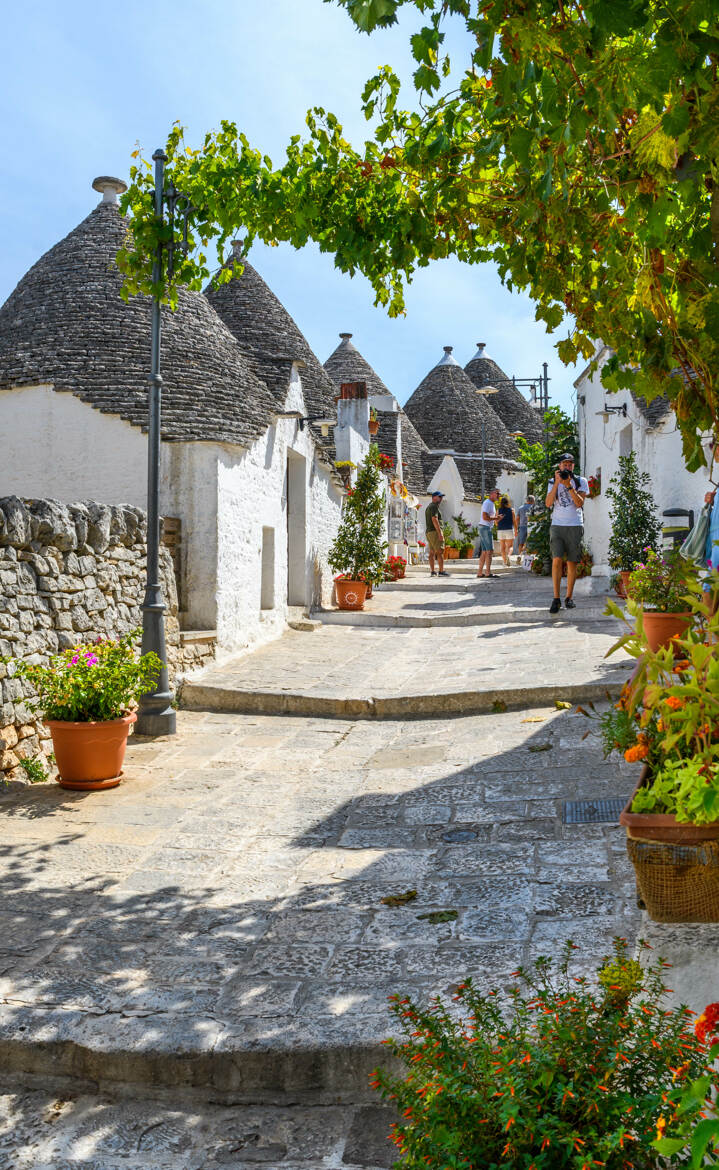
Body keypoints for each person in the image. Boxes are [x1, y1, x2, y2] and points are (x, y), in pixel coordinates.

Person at [545, 453, 588, 613]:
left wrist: (569, 485)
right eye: (565, 464)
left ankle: (569, 597)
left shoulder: (580, 481)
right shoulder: (552, 481)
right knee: (556, 559)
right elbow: (548, 503)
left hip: (575, 525)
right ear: (559, 466)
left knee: (571, 562)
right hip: (557, 525)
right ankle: (556, 598)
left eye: (570, 464)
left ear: (573, 467)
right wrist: (557, 483)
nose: (567, 467)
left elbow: (579, 503)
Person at [477, 487, 500, 579]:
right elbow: (485, 516)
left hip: (484, 527)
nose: (499, 495)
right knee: (490, 551)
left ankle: (480, 573)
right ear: (492, 494)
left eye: (499, 494)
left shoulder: (491, 503)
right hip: (485, 528)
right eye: (497, 493)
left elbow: (488, 517)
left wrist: (497, 518)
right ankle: (487, 573)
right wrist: (496, 518)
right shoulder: (488, 503)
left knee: (484, 552)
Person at [425, 490, 450, 577]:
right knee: (440, 551)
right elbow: (434, 519)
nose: (441, 498)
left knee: (432, 552)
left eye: (442, 497)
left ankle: (432, 571)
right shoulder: (434, 507)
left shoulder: (429, 507)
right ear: (434, 497)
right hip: (434, 531)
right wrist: (440, 533)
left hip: (429, 532)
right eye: (440, 497)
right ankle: (441, 571)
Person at [496, 495, 516, 567]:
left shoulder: (498, 510)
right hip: (509, 529)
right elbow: (514, 522)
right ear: (508, 503)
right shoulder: (512, 510)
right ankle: (509, 556)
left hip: (500, 530)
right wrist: (516, 530)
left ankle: (504, 562)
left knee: (502, 547)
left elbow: (496, 522)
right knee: (510, 546)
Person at [515, 495, 534, 562]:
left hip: (522, 526)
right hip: (531, 526)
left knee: (521, 543)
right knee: (530, 542)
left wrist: (517, 527)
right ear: (532, 501)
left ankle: (519, 555)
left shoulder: (521, 508)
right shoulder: (533, 507)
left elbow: (517, 518)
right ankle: (528, 559)